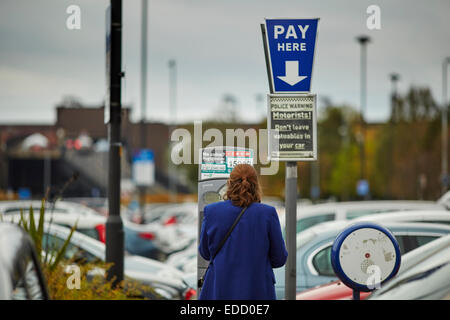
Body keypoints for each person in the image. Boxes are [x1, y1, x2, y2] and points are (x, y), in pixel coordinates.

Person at [198, 164, 288, 300]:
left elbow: (205, 252)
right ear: (256, 185)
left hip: (220, 289)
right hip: (257, 290)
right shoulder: (267, 213)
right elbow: (279, 258)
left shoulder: (212, 211)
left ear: (229, 183)